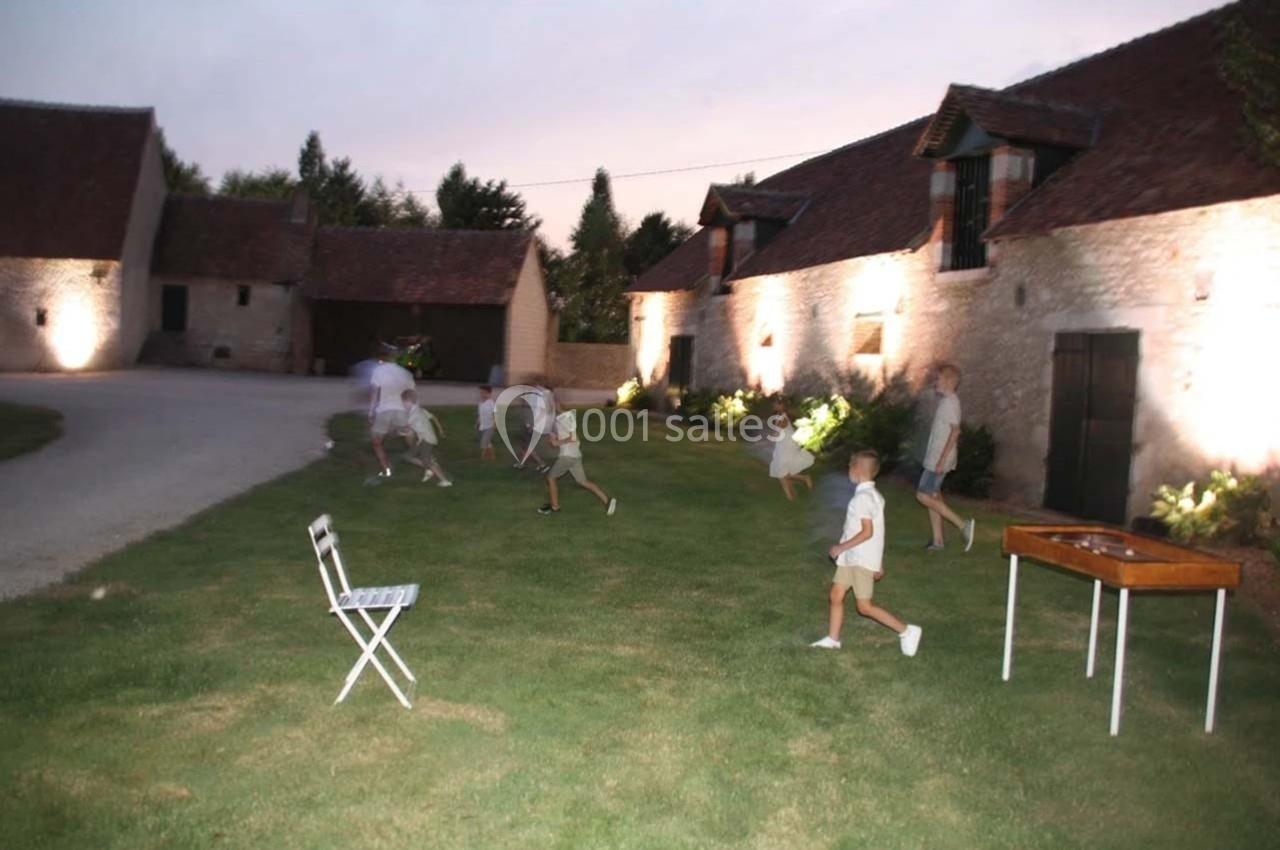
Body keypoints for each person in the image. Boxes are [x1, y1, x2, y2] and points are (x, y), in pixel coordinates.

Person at [812, 450, 922, 655]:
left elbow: (868, 532)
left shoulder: (863, 498)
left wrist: (841, 547)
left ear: (858, 469)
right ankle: (833, 639)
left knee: (864, 606)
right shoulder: (873, 496)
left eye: (850, 467)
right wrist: (877, 561)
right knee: (836, 595)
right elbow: (879, 532)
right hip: (851, 558)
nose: (848, 471)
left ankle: (907, 631)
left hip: (859, 559)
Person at [915, 364, 976, 552]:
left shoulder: (950, 403)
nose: (936, 382)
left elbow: (955, 432)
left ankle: (963, 525)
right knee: (934, 496)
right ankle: (938, 541)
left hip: (938, 460)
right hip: (937, 458)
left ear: (949, 381)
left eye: (939, 378)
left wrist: (941, 460)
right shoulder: (947, 401)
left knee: (922, 495)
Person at [537, 406, 617, 516]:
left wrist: (558, 442)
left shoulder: (564, 419)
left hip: (567, 456)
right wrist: (554, 440)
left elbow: (573, 438)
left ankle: (554, 506)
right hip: (576, 455)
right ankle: (607, 500)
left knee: (551, 478)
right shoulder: (560, 420)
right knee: (583, 481)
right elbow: (557, 439)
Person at [367, 353, 416, 479]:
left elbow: (374, 392)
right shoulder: (405, 373)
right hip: (401, 411)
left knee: (377, 442)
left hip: (384, 411)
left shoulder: (378, 370)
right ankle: (421, 457)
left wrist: (371, 411)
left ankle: (387, 469)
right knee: (407, 435)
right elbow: (411, 395)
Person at [401, 389, 452, 486]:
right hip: (423, 440)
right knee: (407, 456)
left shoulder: (413, 415)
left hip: (427, 440)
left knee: (426, 461)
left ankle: (444, 480)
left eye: (403, 402)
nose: (403, 405)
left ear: (408, 401)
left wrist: (396, 431)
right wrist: (440, 430)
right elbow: (432, 417)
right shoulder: (420, 409)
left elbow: (407, 429)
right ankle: (429, 467)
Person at [768, 400, 815, 500]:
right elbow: (777, 432)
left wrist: (771, 434)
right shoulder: (780, 416)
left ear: (781, 405)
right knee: (781, 472)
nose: (773, 405)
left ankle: (804, 479)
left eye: (776, 404)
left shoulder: (783, 418)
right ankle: (791, 497)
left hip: (787, 447)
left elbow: (777, 432)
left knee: (782, 473)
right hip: (783, 446)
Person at [477, 385, 497, 461]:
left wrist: (494, 424)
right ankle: (492, 456)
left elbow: (494, 414)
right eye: (481, 393)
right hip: (483, 425)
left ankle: (483, 457)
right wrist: (478, 421)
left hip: (490, 426)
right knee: (487, 442)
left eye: (484, 393)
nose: (482, 394)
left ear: (489, 393)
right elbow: (480, 413)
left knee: (484, 442)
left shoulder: (491, 403)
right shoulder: (480, 403)